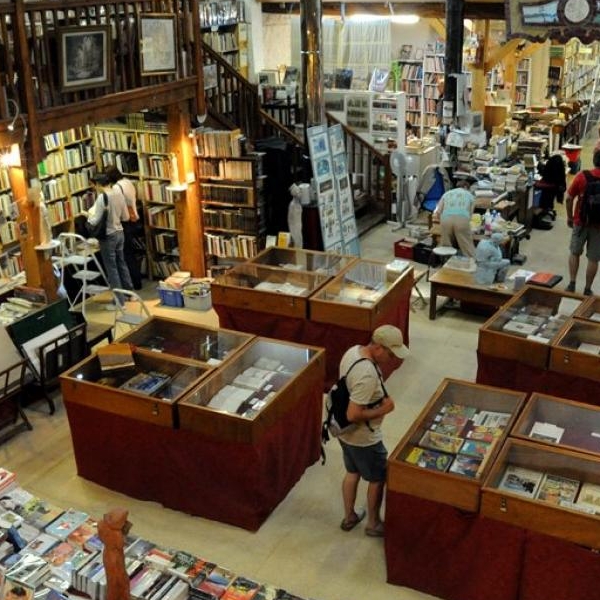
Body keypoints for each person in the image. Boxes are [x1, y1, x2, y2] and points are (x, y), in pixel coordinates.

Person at [338, 324, 408, 538]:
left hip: (344, 433)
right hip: (364, 438)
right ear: (378, 347)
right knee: (377, 478)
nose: (393, 359)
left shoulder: (353, 351)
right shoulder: (367, 373)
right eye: (390, 353)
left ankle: (350, 516)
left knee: (352, 472)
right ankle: (374, 523)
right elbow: (353, 414)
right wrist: (384, 409)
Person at [87, 172, 133, 308]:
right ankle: (129, 293)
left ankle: (119, 301)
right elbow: (125, 217)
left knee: (111, 268)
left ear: (98, 184)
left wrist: (88, 216)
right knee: (121, 263)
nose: (94, 188)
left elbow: (95, 220)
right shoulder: (119, 193)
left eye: (94, 186)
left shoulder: (102, 197)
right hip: (120, 233)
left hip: (108, 236)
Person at [565, 148, 600, 296]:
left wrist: (570, 217)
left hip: (580, 221)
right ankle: (587, 289)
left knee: (575, 252)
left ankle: (572, 284)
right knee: (593, 258)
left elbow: (568, 197)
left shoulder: (582, 176)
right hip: (599, 226)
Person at [105, 165, 143, 290]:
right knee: (130, 253)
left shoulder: (116, 187)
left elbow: (119, 205)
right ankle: (137, 280)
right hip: (134, 218)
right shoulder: (128, 182)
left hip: (124, 222)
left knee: (125, 255)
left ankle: (132, 283)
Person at [433, 179, 476, 258]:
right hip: (462, 219)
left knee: (446, 244)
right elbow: (470, 214)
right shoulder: (470, 195)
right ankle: (471, 264)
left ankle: (447, 262)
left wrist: (441, 221)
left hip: (445, 219)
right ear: (466, 187)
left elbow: (438, 211)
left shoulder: (447, 194)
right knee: (466, 245)